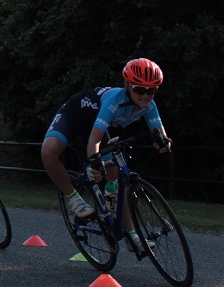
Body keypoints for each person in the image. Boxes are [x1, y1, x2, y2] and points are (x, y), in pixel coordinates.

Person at [41, 58, 171, 254]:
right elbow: (93, 142)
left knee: (117, 176)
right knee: (48, 152)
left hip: (98, 125)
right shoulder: (114, 101)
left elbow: (161, 134)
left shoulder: (149, 106)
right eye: (139, 90)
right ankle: (73, 198)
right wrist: (93, 165)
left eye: (151, 90)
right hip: (74, 116)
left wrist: (163, 142)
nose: (145, 96)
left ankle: (132, 236)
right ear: (127, 85)